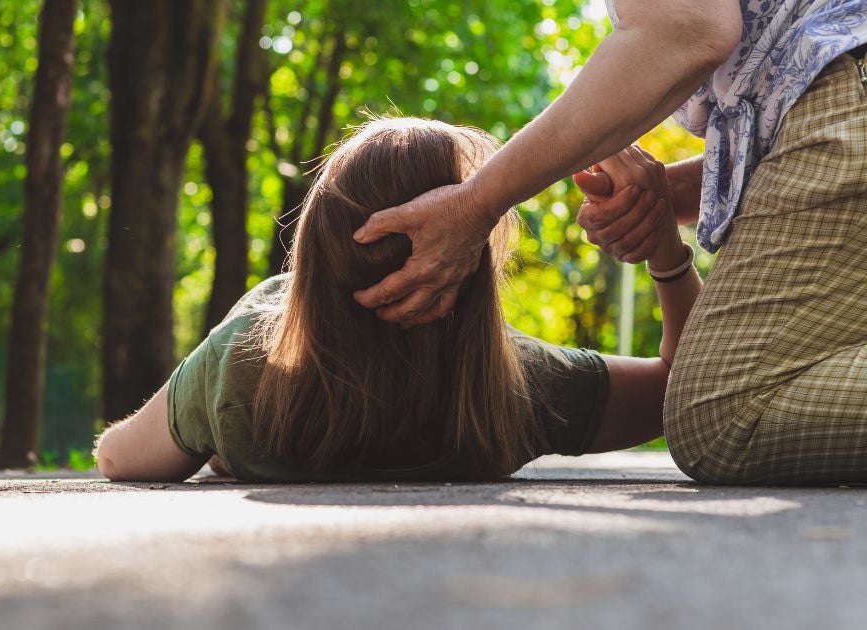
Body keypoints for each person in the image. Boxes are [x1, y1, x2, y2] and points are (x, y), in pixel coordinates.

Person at [350, 1, 867, 484]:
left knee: (723, 416)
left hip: (845, 88)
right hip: (840, 85)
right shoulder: (530, 389)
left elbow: (687, 27)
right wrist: (671, 202)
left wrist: (475, 203)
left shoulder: (266, 348)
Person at [93, 117, 700, 483]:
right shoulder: (516, 387)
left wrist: (217, 422)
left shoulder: (245, 365)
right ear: (467, 268)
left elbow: (118, 459)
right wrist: (667, 256)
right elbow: (685, 392)